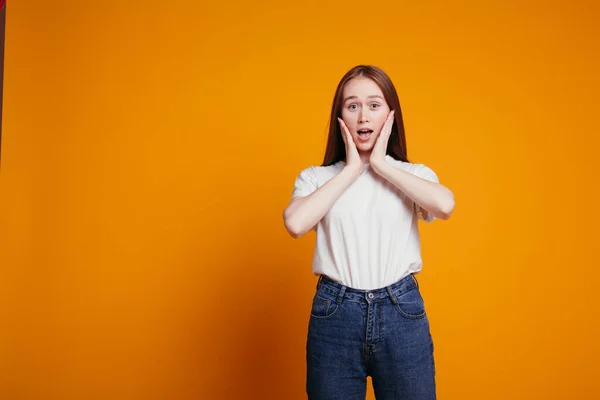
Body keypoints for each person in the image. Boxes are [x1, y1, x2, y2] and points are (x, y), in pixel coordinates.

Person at [282, 65, 455, 400]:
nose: (363, 117)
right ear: (340, 117)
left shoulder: (411, 175)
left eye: (374, 105)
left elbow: (445, 205)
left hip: (401, 311)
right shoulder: (317, 178)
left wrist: (381, 165)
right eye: (353, 105)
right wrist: (351, 170)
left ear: (391, 116)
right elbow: (295, 223)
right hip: (335, 315)